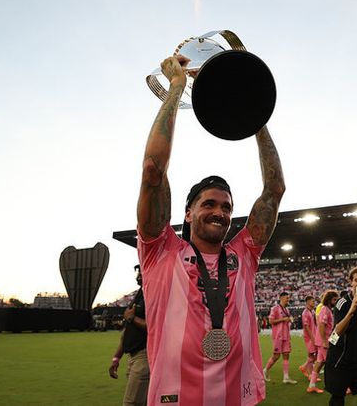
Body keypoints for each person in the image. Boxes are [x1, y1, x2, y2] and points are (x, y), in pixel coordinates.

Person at [136, 54, 285, 406]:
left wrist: (255, 116)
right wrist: (176, 88)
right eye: (209, 204)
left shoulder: (243, 253)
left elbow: (274, 189)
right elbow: (153, 170)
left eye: (227, 207)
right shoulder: (161, 250)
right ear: (188, 213)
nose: (220, 212)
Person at [325, 267, 357, 406]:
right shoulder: (342, 302)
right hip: (339, 358)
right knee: (337, 399)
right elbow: (336, 333)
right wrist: (351, 311)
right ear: (351, 282)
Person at [109, 264, 150, 406]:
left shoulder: (154, 294)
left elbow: (156, 328)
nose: (138, 275)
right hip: (133, 357)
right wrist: (116, 358)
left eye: (141, 271)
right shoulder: (140, 294)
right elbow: (127, 331)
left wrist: (132, 318)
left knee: (131, 403)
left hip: (144, 356)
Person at [308, 290, 338, 394]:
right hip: (324, 341)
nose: (336, 301)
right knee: (332, 363)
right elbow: (321, 325)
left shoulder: (327, 309)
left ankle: (311, 385)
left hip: (323, 340)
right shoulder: (325, 309)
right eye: (334, 299)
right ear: (329, 300)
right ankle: (334, 385)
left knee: (320, 362)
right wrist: (325, 341)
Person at [264, 292, 297, 384]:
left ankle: (286, 377)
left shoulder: (287, 309)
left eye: (288, 298)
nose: (288, 300)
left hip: (286, 335)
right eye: (287, 298)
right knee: (276, 355)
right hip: (278, 336)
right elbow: (271, 321)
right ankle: (265, 370)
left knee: (286, 354)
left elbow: (286, 320)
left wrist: (290, 320)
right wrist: (283, 319)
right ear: (281, 298)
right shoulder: (275, 308)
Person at [298, 296, 317, 381]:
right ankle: (310, 375)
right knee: (311, 355)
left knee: (314, 356)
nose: (314, 303)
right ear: (308, 302)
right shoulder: (305, 313)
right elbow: (306, 327)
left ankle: (304, 367)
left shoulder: (312, 311)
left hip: (314, 335)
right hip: (309, 337)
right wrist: (312, 338)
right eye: (313, 301)